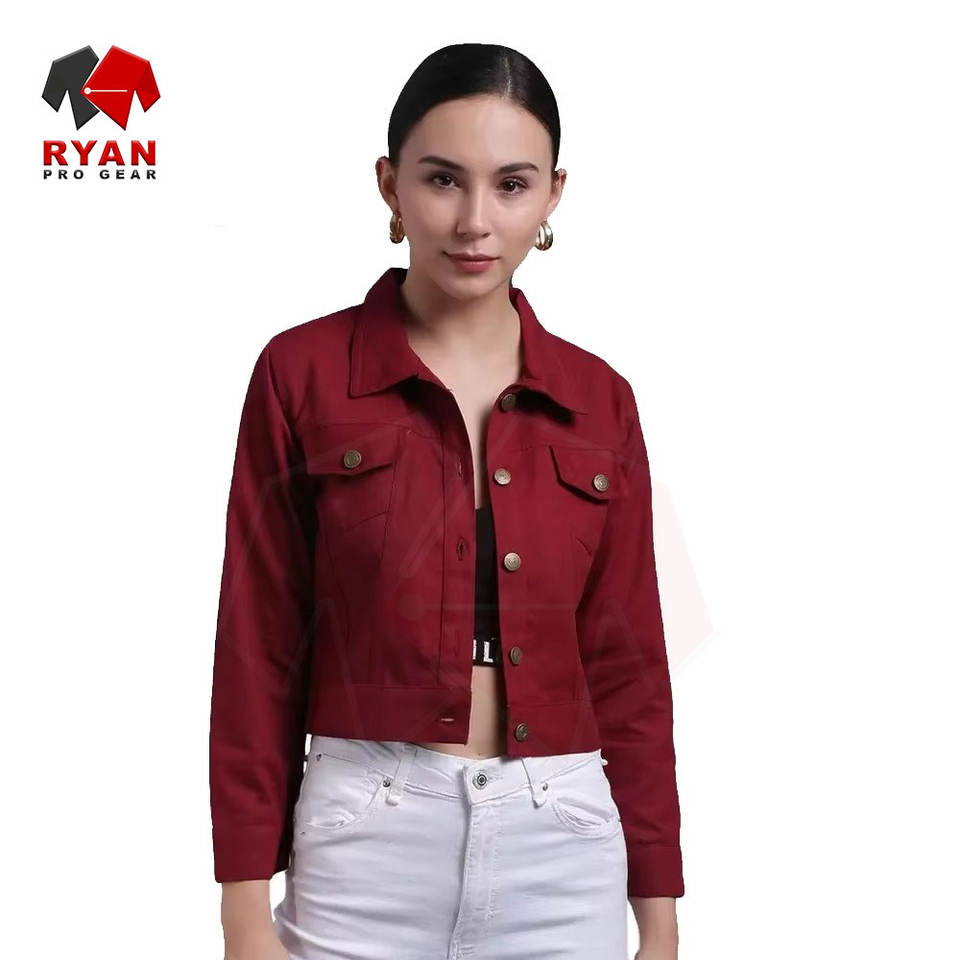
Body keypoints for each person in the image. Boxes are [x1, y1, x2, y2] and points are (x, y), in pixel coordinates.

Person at [210, 42, 684, 960]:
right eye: (441, 180)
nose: (474, 221)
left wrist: (658, 916)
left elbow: (630, 667)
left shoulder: (602, 401)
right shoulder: (301, 375)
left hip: (565, 842)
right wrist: (242, 909)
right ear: (390, 187)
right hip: (363, 839)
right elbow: (258, 647)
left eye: (511, 185)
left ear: (552, 197)